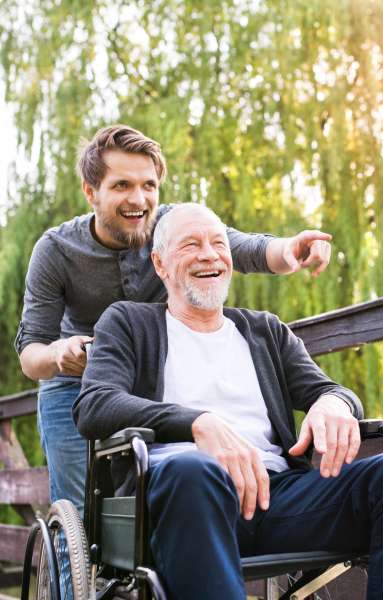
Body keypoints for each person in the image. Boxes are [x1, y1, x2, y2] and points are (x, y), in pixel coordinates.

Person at [73, 204, 383, 600]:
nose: (209, 254)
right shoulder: (129, 322)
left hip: (277, 494)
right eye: (191, 245)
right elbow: (95, 404)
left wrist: (334, 403)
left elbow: (329, 389)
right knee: (192, 470)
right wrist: (198, 423)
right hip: (182, 497)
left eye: (218, 244)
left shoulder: (264, 330)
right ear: (160, 264)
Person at [15, 124, 333, 514]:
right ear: (90, 191)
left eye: (149, 185)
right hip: (74, 385)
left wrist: (293, 250)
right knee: (80, 513)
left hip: (148, 379)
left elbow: (245, 248)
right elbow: (30, 356)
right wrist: (60, 354)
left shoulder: (172, 228)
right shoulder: (56, 250)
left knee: (150, 500)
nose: (139, 199)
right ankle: (77, 572)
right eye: (121, 186)